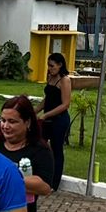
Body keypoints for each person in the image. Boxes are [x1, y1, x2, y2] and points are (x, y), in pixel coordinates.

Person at [37, 53, 74, 188]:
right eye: (48, 66)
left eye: (52, 66)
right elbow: (47, 99)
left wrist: (46, 115)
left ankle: (54, 182)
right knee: (40, 146)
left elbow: (65, 104)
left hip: (59, 120)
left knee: (56, 149)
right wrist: (35, 111)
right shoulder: (50, 78)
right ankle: (43, 175)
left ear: (60, 65)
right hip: (47, 120)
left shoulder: (64, 80)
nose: (50, 68)